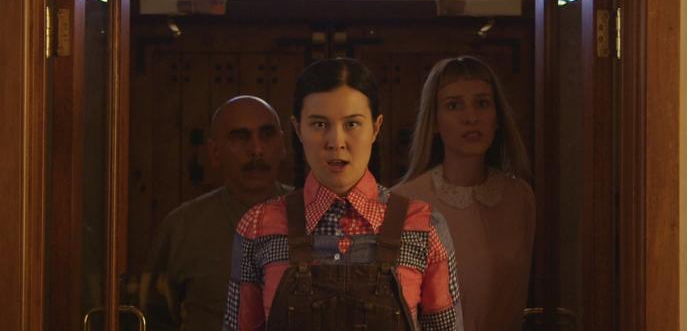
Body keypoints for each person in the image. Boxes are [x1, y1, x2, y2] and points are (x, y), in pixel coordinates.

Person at [223, 58, 463, 331]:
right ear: (298, 129)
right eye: (318, 124)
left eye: (352, 124)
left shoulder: (424, 227)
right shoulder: (258, 227)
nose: (336, 142)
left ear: (376, 128)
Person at [392, 56, 535, 331]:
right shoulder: (405, 202)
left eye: (482, 103)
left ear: (497, 117)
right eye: (454, 105)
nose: (471, 118)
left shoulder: (520, 197)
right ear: (435, 121)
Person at [141, 95, 293, 331]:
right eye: (240, 137)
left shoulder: (314, 217)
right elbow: (153, 317)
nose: (256, 150)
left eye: (266, 135)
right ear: (214, 152)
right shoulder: (183, 227)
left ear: (282, 145)